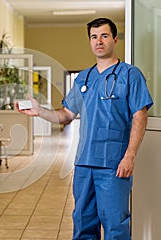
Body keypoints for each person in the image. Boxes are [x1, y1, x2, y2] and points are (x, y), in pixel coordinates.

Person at [16, 18, 153, 239]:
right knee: (82, 223)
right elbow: (66, 115)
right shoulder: (83, 79)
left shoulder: (130, 75)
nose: (99, 41)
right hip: (84, 164)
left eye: (104, 36)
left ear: (115, 39)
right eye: (94, 37)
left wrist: (130, 155)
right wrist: (39, 111)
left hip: (113, 164)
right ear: (90, 41)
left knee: (115, 225)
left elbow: (140, 115)